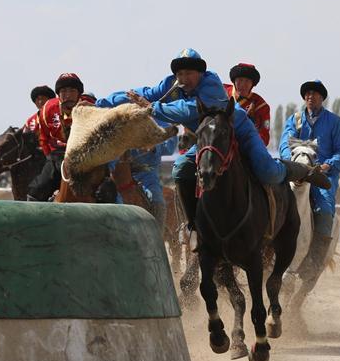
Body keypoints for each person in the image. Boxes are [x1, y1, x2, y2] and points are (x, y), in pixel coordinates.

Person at [97, 48, 327, 250]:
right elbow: (141, 94)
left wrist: (154, 108)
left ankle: (298, 170)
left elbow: (188, 111)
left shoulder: (212, 86)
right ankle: (193, 225)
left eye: (189, 73)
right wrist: (101, 104)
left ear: (200, 74)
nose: (184, 78)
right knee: (180, 170)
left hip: (239, 131)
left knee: (268, 171)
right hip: (208, 140)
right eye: (180, 74)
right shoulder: (171, 85)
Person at [279, 79, 340, 281]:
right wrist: (292, 160)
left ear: (322, 98)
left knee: (325, 208)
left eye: (315, 94)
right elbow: (285, 144)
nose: (310, 97)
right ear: (304, 97)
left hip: (321, 176)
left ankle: (315, 259)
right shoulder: (294, 120)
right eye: (307, 94)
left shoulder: (334, 122)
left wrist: (328, 164)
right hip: (295, 172)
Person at [28, 73, 86, 201]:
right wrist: (50, 158)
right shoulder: (47, 109)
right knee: (35, 191)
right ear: (58, 94)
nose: (68, 95)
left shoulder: (90, 106)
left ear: (79, 94)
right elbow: (43, 137)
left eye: (72, 90)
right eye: (63, 91)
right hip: (58, 155)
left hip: (86, 155)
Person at [114, 136, 178, 229]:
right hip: (118, 174)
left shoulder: (161, 123)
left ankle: (157, 232)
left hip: (147, 175)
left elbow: (169, 148)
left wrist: (154, 147)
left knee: (155, 196)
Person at [224, 63, 271, 145]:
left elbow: (264, 136)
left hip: (246, 142)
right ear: (234, 81)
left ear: (252, 84)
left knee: (262, 156)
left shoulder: (261, 106)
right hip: (219, 138)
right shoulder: (222, 92)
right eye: (240, 80)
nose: (243, 84)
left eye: (247, 81)